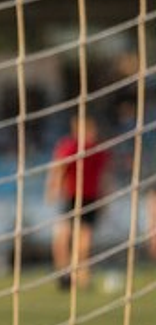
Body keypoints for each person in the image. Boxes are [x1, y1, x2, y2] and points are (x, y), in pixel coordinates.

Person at [46, 109, 108, 289]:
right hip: (71, 197)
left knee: (84, 242)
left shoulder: (98, 150)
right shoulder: (70, 147)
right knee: (62, 237)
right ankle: (63, 274)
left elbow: (103, 176)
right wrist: (53, 189)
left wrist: (105, 198)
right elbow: (58, 168)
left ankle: (82, 276)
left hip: (90, 198)